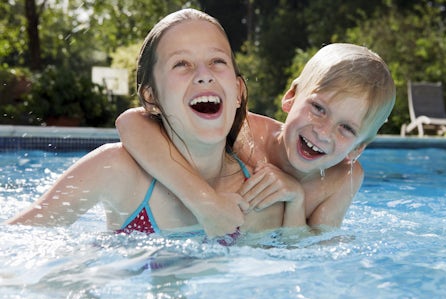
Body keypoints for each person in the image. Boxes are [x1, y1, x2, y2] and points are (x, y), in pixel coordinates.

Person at [5, 9, 283, 239]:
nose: (203, 75)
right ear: (151, 97)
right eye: (181, 64)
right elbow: (18, 240)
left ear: (238, 91)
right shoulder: (116, 171)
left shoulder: (258, 196)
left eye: (217, 61)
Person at [116, 43, 396, 236]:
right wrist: (202, 200)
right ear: (291, 97)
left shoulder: (343, 179)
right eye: (318, 109)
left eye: (346, 128)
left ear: (358, 148)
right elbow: (130, 123)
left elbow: (310, 249)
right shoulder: (245, 130)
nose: (322, 132)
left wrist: (295, 199)